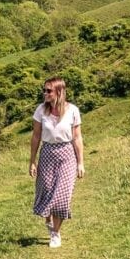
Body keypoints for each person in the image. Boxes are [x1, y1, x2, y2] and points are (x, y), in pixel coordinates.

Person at [30, 76, 85, 249]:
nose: (44, 93)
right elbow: (36, 136)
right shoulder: (41, 110)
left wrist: (80, 162)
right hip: (47, 152)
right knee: (46, 191)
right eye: (44, 90)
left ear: (59, 92)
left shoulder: (73, 110)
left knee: (62, 195)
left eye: (48, 91)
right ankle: (48, 218)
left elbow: (77, 137)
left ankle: (55, 233)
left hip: (67, 154)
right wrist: (32, 161)